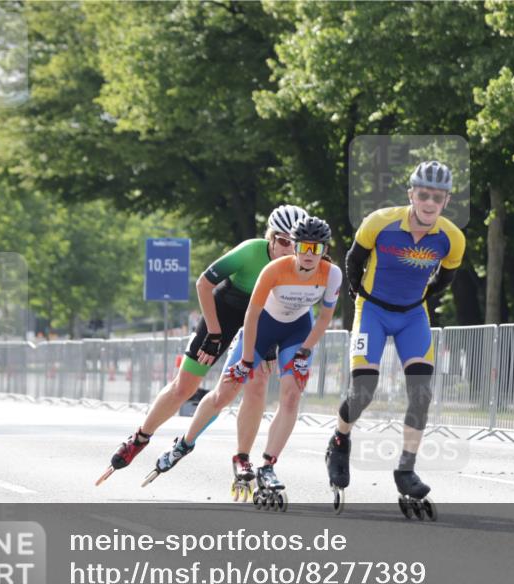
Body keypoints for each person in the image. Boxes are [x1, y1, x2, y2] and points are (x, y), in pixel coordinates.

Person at [96, 205, 309, 485]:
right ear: (271, 238)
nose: (289, 249)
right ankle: (140, 437)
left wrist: (271, 346)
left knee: (257, 385)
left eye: (297, 245)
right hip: (224, 310)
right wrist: (214, 332)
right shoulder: (249, 251)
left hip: (260, 318)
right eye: (283, 241)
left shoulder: (299, 265)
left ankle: (242, 457)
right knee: (185, 387)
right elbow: (203, 284)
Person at [149, 217, 341, 505]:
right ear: (297, 247)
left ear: (324, 249)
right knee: (225, 393)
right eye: (303, 246)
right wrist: (248, 359)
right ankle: (185, 442)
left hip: (297, 332)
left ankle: (267, 466)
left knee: (291, 396)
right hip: (261, 328)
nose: (309, 254)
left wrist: (305, 351)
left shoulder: (332, 274)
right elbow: (251, 316)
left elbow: (325, 317)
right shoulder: (274, 269)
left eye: (317, 248)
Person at [325, 160, 465, 511]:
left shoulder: (452, 238)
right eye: (423, 194)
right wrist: (360, 296)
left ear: (446, 201)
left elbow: (445, 280)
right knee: (363, 392)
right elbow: (353, 262)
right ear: (411, 194)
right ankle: (340, 440)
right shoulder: (380, 222)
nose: (429, 202)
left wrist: (415, 300)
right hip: (371, 311)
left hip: (412, 316)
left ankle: (406, 469)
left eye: (437, 196)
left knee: (421, 393)